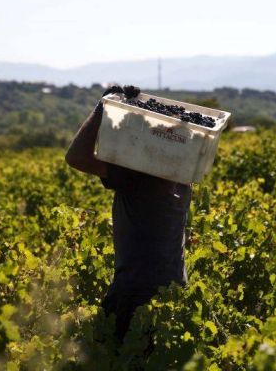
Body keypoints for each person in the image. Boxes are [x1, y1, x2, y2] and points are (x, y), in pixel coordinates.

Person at [64, 84, 191, 342]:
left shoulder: (140, 175)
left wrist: (103, 108)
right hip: (174, 287)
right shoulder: (182, 176)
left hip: (135, 291)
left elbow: (76, 156)